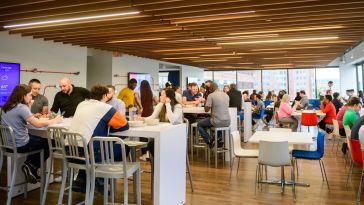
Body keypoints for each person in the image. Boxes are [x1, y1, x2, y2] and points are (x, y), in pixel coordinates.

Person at [68, 85, 129, 192]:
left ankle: (81, 179)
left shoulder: (81, 104)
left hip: (70, 153)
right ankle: (100, 179)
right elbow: (124, 125)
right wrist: (108, 126)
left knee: (97, 147)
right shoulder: (105, 107)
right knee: (122, 147)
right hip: (88, 155)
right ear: (105, 95)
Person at [1, 84, 62, 183]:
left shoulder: (6, 107)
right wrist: (54, 121)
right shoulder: (21, 107)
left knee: (39, 139)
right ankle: (31, 165)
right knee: (51, 143)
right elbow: (38, 124)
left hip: (8, 145)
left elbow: (24, 118)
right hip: (21, 144)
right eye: (29, 95)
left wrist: (28, 105)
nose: (31, 97)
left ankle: (30, 167)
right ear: (22, 96)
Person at [139, 88, 183, 155]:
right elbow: (152, 117)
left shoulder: (178, 106)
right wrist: (143, 119)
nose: (160, 97)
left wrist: (167, 104)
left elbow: (173, 120)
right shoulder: (161, 105)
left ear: (168, 97)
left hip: (175, 134)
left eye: (162, 95)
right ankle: (156, 162)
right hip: (164, 132)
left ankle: (161, 160)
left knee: (153, 144)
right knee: (151, 144)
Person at [198, 82, 230, 148]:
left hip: (217, 121)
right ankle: (218, 139)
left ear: (211, 88)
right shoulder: (226, 95)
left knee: (200, 124)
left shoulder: (211, 95)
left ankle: (209, 140)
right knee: (217, 121)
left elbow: (206, 109)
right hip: (227, 121)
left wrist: (205, 101)